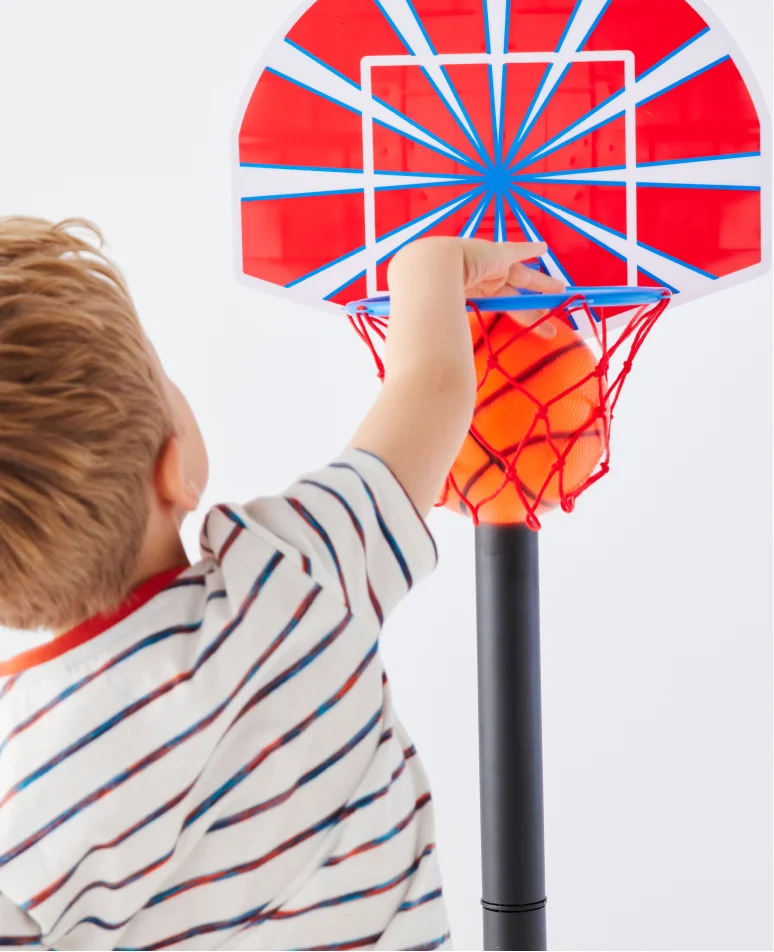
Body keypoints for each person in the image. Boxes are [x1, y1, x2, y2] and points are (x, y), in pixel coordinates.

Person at [0, 217, 562, 951]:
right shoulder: (285, 570)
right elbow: (432, 388)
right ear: (179, 469)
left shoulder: (18, 793)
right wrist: (428, 267)